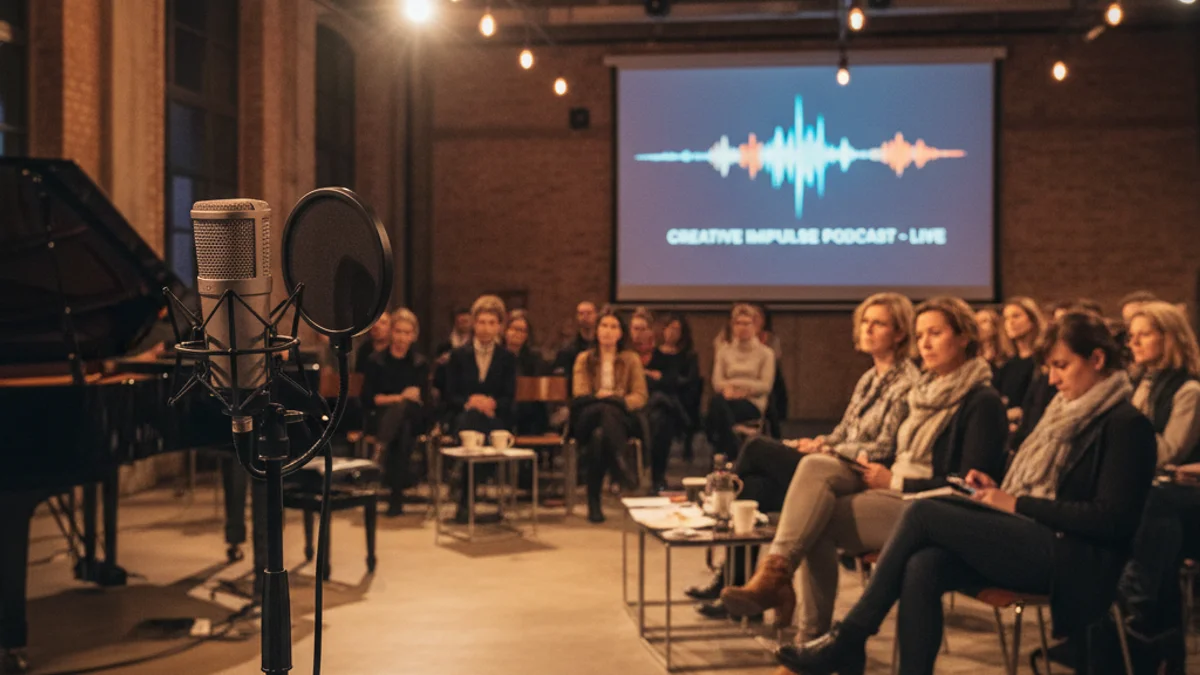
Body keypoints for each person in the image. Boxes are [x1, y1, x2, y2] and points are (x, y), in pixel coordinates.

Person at [777, 311, 1157, 675]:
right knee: (923, 563)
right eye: (1051, 368)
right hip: (1035, 534)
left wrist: (1018, 502)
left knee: (925, 513)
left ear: (1096, 359)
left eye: (1062, 366)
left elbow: (1113, 520)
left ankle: (850, 638)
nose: (1054, 380)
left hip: (1075, 559)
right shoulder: (1063, 412)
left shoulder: (1126, 425)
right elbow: (1041, 486)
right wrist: (998, 490)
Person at [720, 297, 1008, 638]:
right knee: (812, 478)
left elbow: (971, 486)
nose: (926, 344)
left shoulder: (980, 400)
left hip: (931, 507)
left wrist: (896, 481)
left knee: (811, 513)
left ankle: (807, 632)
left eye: (936, 333)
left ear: (964, 338)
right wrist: (828, 447)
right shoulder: (925, 392)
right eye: (922, 335)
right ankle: (783, 593)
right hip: (895, 489)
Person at [692, 293, 919, 619]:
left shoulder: (906, 382)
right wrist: (817, 442)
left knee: (757, 447)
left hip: (856, 474)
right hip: (833, 460)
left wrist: (828, 450)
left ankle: (719, 533)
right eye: (865, 322)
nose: (867, 329)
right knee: (754, 488)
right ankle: (743, 588)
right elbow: (844, 432)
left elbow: (885, 446)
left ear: (899, 333)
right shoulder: (870, 377)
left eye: (878, 323)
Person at [444, 295, 518, 520]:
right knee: (471, 420)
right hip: (463, 417)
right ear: (474, 323)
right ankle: (467, 497)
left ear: (500, 327)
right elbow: (449, 395)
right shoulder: (458, 355)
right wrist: (470, 402)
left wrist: (491, 403)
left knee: (486, 429)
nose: (486, 328)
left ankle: (464, 491)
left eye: (492, 323)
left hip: (495, 418)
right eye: (482, 322)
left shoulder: (507, 358)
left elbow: (509, 396)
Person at [571, 308, 648, 523]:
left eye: (613, 327)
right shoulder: (584, 359)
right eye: (604, 326)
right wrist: (606, 398)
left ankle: (594, 501)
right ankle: (621, 465)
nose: (607, 331)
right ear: (597, 331)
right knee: (603, 412)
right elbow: (580, 393)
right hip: (587, 414)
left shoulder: (631, 359)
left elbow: (640, 396)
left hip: (619, 417)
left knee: (600, 436)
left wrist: (618, 399)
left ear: (620, 333)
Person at [361, 308, 430, 516]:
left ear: (414, 336)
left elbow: (422, 399)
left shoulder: (419, 363)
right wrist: (400, 397)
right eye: (398, 331)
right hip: (381, 418)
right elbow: (369, 398)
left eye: (407, 333)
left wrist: (394, 399)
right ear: (391, 332)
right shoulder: (376, 361)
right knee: (402, 430)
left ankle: (380, 451)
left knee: (404, 417)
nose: (402, 337)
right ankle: (396, 498)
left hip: (414, 417)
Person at [1127, 301, 1200, 467]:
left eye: (1144, 334)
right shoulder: (1138, 382)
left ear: (1169, 338)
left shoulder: (1189, 391)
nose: (1134, 343)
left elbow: (1168, 454)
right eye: (1131, 336)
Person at [706, 304, 776, 459]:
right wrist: (729, 390)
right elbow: (717, 382)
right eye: (738, 323)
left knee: (717, 407)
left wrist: (742, 391)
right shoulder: (724, 351)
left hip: (752, 402)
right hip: (727, 398)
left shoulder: (766, 354)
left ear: (755, 326)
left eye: (746, 323)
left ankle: (722, 451)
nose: (742, 327)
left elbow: (765, 386)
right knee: (718, 403)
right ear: (732, 326)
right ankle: (731, 445)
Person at [645, 313, 700, 493]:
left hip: (682, 408)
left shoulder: (688, 357)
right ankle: (657, 476)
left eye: (676, 329)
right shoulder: (654, 353)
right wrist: (666, 381)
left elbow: (687, 384)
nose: (672, 333)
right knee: (660, 415)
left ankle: (657, 476)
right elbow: (647, 381)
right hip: (659, 410)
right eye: (669, 328)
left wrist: (662, 378)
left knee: (662, 412)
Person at [997, 296, 1046, 428]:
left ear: (1032, 321)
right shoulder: (1007, 365)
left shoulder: (1043, 361)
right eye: (1006, 318)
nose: (1010, 322)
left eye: (1016, 316)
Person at [505, 310, 551, 435]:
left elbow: (535, 387)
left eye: (522, 331)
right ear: (505, 331)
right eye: (514, 329)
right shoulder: (498, 355)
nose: (517, 334)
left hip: (528, 408)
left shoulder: (535, 357)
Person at [553, 301, 599, 390]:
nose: (585, 317)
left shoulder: (603, 347)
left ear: (596, 315)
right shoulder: (566, 351)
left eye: (589, 313)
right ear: (577, 317)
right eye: (581, 314)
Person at [974, 307, 1012, 375]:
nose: (978, 326)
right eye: (976, 323)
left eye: (983, 321)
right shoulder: (972, 356)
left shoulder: (1007, 355)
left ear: (995, 326)